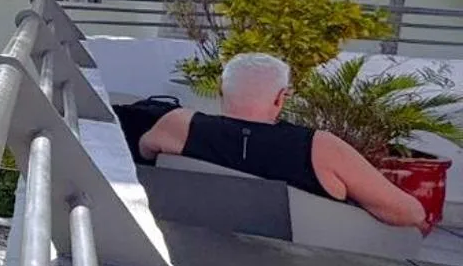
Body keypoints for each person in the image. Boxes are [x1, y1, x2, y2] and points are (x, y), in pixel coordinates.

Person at [137, 52, 431, 232]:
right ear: (282, 97)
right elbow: (410, 212)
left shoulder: (177, 125)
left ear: (220, 90)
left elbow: (144, 150)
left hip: (194, 247)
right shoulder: (321, 148)